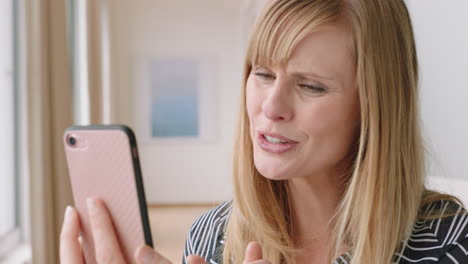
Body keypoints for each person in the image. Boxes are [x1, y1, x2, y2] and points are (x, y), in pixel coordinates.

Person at [60, 0, 468, 263]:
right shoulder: (210, 238)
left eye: (311, 86)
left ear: (376, 106)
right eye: (263, 73)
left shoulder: (446, 240)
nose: (271, 108)